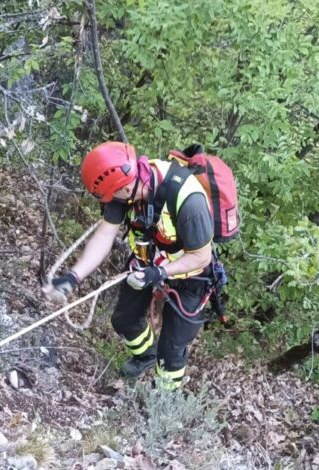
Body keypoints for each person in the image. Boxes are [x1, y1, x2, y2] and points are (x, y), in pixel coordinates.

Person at [44, 141, 216, 390]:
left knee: (172, 348)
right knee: (124, 320)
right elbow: (104, 236)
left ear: (124, 189)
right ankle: (146, 354)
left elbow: (202, 257)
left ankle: (163, 401)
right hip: (147, 262)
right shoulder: (121, 190)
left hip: (191, 277)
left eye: (111, 196)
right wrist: (73, 277)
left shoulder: (188, 200)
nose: (109, 201)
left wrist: (159, 273)